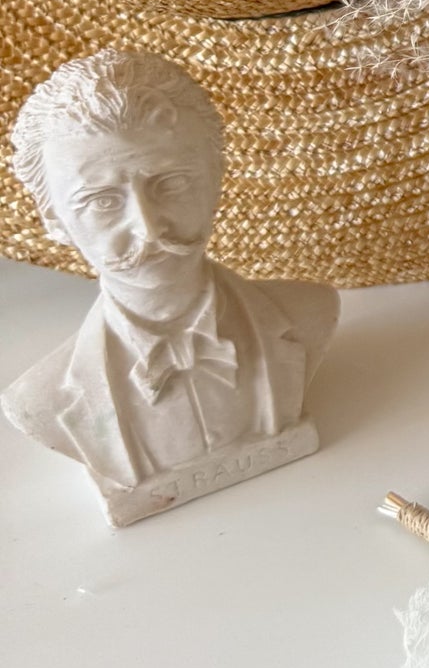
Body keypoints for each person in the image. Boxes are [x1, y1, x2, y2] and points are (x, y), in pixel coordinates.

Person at [1, 49, 336, 509]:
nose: (149, 228)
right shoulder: (40, 400)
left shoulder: (310, 311)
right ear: (53, 219)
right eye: (102, 202)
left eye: (172, 184)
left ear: (216, 179)